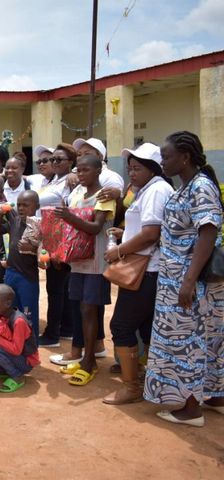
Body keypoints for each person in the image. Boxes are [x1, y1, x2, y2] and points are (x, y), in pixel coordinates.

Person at [144, 131, 224, 426]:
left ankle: (192, 409)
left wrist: (188, 281)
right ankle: (216, 397)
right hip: (180, 281)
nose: (162, 162)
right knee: (209, 339)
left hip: (189, 283)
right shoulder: (186, 187)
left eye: (166, 157)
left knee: (187, 343)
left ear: (185, 157)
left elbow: (208, 230)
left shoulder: (200, 187)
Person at [102, 143, 173, 405]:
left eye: (138, 168)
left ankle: (131, 387)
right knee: (145, 328)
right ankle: (148, 380)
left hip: (147, 271)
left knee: (121, 326)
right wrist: (126, 235)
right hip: (145, 268)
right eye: (130, 168)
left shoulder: (156, 190)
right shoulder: (149, 190)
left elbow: (151, 234)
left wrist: (119, 250)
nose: (132, 173)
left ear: (152, 168)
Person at [54, 155, 115, 386]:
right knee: (80, 308)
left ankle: (90, 362)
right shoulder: (77, 193)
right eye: (78, 170)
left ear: (99, 170)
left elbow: (95, 227)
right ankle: (84, 359)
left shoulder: (105, 196)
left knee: (90, 309)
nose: (80, 174)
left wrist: (68, 216)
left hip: (97, 262)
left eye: (86, 170)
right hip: (77, 261)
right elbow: (68, 228)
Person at [39, 144, 77, 349]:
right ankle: (67, 328)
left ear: (71, 162)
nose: (54, 162)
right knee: (60, 287)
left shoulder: (71, 181)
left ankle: (52, 334)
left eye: (59, 159)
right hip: (50, 237)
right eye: (52, 159)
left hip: (60, 239)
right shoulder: (53, 181)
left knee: (55, 288)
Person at [0, 190, 42, 338]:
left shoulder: (39, 226)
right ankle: (13, 343)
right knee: (10, 311)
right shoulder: (15, 220)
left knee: (28, 313)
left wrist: (32, 248)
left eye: (26, 205)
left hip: (27, 277)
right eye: (19, 205)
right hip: (11, 273)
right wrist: (1, 213)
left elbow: (45, 253)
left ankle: (31, 348)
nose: (21, 208)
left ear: (36, 207)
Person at [0, 284, 39, 394]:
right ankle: (3, 370)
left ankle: (17, 376)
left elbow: (16, 349)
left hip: (25, 362)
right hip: (15, 356)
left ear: (8, 304)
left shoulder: (19, 321)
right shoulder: (1, 314)